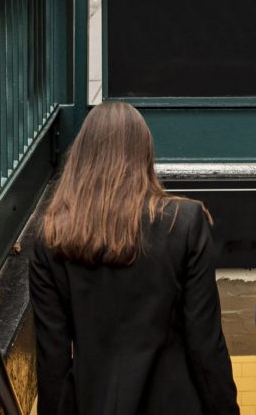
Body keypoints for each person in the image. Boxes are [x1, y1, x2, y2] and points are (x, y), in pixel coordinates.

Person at [29, 102, 240, 415]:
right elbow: (205, 345)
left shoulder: (52, 238)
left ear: (82, 159)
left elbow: (53, 363)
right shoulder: (183, 223)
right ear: (145, 156)